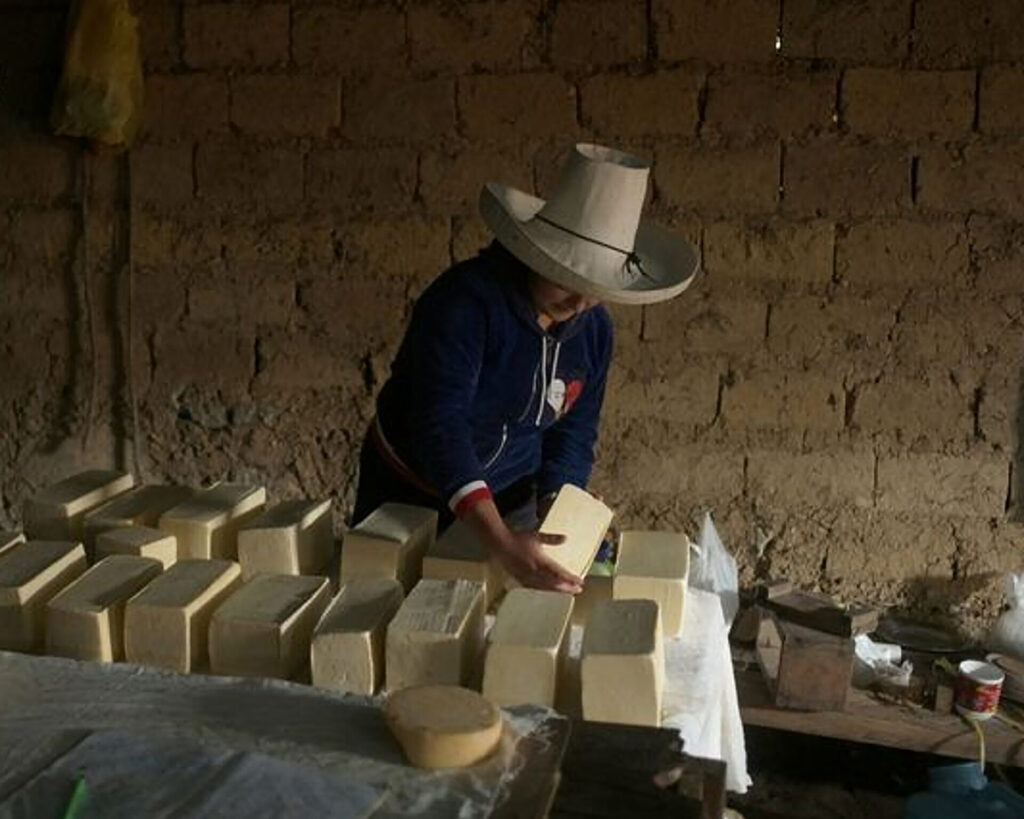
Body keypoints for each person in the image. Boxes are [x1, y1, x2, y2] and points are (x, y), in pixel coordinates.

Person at [352, 143, 698, 593]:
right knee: (393, 614)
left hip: (511, 494)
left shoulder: (594, 331)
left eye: (595, 288)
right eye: (567, 280)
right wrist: (498, 540)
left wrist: (558, 499)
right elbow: (440, 424)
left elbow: (572, 433)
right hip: (410, 491)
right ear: (535, 253)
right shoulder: (465, 305)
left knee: (503, 631)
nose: (580, 302)